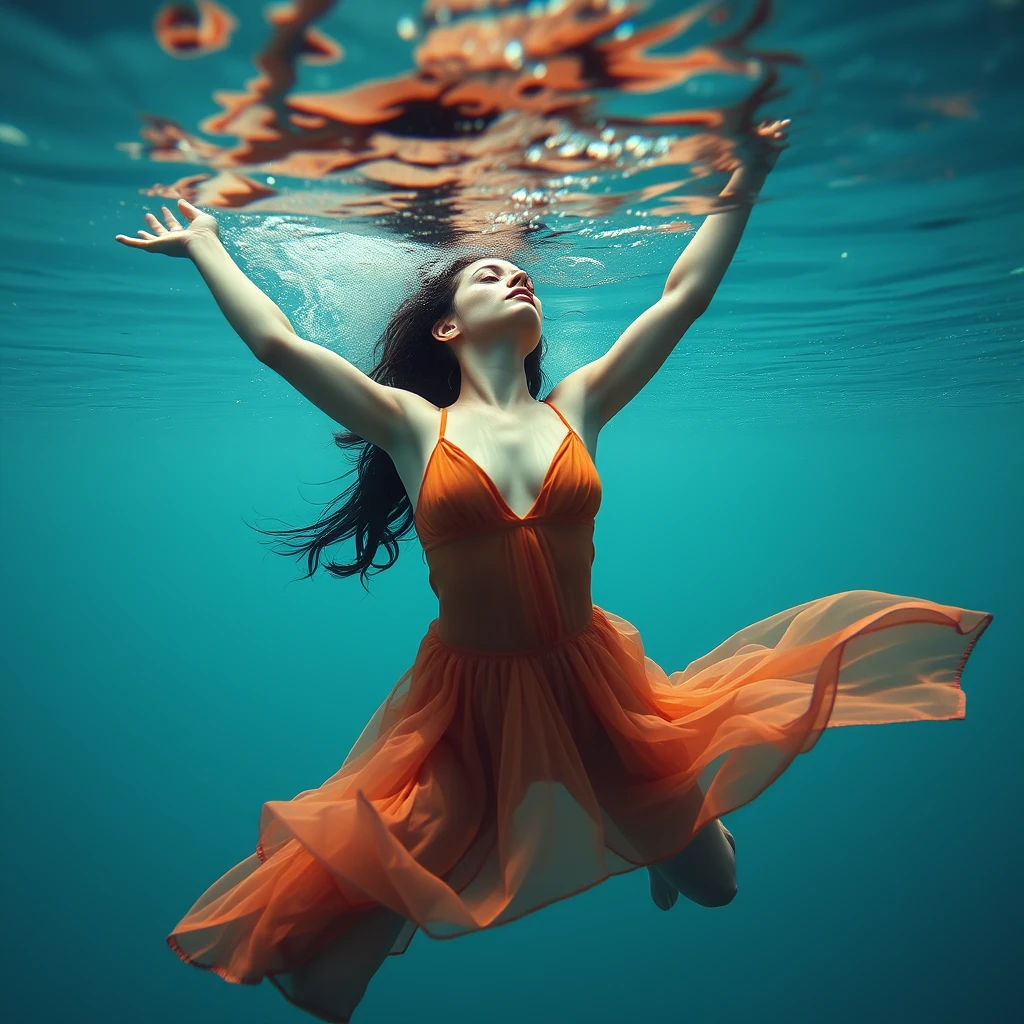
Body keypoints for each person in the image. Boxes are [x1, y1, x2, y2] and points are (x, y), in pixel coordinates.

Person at [115, 118, 992, 1023]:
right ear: (449, 326)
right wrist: (208, 244)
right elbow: (279, 347)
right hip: (468, 706)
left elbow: (681, 299)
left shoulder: (581, 405)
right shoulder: (415, 428)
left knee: (719, 886)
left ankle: (662, 848)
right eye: (489, 273)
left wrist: (747, 174)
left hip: (590, 680)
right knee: (335, 974)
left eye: (520, 270)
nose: (515, 272)